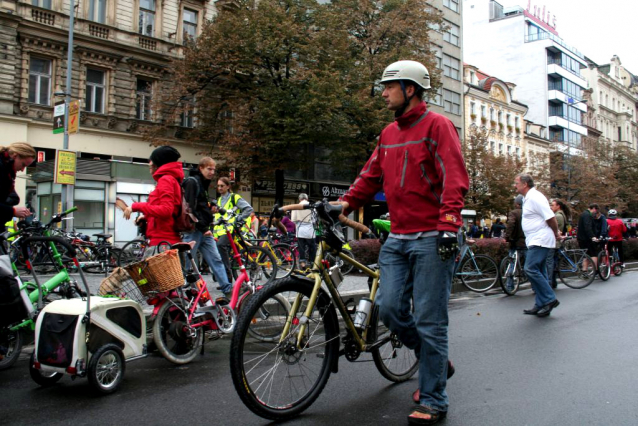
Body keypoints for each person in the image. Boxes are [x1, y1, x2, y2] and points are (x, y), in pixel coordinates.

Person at [340, 60, 469, 424]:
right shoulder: (388, 133)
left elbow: (455, 176)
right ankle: (436, 361)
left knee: (430, 320)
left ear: (410, 89)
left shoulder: (438, 125)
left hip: (432, 235)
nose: (383, 93)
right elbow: (369, 177)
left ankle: (433, 398)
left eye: (389, 87)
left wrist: (448, 224)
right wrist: (345, 202)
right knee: (391, 309)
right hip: (398, 236)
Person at [181, 157, 232, 297]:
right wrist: (203, 228)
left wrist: (210, 209)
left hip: (203, 229)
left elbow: (200, 206)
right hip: (195, 230)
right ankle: (183, 291)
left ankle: (227, 288)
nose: (212, 172)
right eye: (209, 169)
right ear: (201, 168)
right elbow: (190, 208)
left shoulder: (202, 183)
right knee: (188, 263)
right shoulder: (193, 182)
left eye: (214, 169)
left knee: (215, 259)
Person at [514, 173, 561, 317]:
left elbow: (550, 217)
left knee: (530, 268)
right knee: (539, 270)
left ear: (525, 184)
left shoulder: (535, 197)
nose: (514, 185)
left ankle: (549, 298)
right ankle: (541, 303)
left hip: (540, 239)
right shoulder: (527, 198)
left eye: (516, 183)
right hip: (534, 239)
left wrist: (556, 233)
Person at [123, 146, 183, 245]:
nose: (149, 163)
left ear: (158, 162)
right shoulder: (170, 179)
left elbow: (166, 210)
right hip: (164, 240)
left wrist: (136, 206)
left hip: (162, 241)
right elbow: (167, 212)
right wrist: (147, 217)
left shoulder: (166, 180)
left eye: (151, 160)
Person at [212, 177, 254, 283]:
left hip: (231, 230)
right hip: (221, 231)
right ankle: (232, 276)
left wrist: (237, 219)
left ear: (228, 186)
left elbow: (248, 209)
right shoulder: (219, 200)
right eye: (218, 186)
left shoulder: (234, 197)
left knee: (220, 245)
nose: (220, 188)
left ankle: (228, 273)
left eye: (222, 186)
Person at [1, 142, 36, 231]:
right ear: (15, 156)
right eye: (23, 165)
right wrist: (13, 211)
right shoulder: (3, 170)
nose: (22, 169)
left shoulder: (6, 170)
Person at [504, 195, 526, 290]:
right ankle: (535, 286)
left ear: (517, 204)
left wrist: (507, 237)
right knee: (531, 265)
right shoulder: (529, 213)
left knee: (512, 263)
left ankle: (509, 286)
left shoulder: (514, 213)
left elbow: (511, 224)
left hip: (515, 242)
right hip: (526, 242)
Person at [548, 199, 571, 288]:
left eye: (553, 205)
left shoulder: (558, 216)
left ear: (558, 206)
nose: (551, 207)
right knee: (553, 262)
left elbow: (556, 229)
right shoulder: (561, 215)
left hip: (555, 242)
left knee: (550, 262)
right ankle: (553, 282)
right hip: (557, 242)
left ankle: (551, 282)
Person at [292, 193, 316, 269]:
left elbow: (293, 220)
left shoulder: (296, 206)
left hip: (300, 230)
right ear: (307, 198)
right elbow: (315, 219)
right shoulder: (312, 206)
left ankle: (303, 264)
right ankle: (312, 263)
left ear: (299, 199)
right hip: (310, 230)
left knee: (301, 248)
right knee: (312, 247)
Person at [576, 203, 599, 270]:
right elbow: (588, 227)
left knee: (585, 255)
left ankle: (584, 271)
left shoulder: (583, 214)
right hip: (586, 239)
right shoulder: (587, 215)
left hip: (581, 238)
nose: (595, 213)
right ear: (594, 208)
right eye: (596, 211)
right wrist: (592, 236)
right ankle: (596, 270)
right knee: (593, 254)